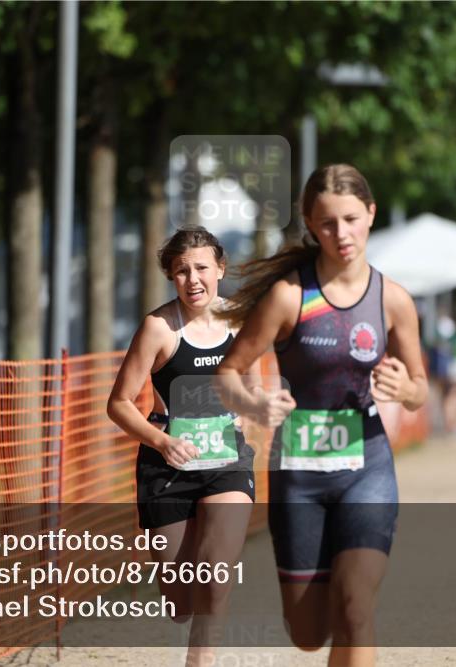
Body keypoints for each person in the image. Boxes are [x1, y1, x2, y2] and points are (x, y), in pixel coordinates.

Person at [216, 164, 428, 666]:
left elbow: (420, 389)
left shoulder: (393, 300)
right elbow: (228, 374)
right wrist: (255, 404)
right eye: (328, 223)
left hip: (367, 469)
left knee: (356, 608)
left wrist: (405, 389)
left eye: (351, 219)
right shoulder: (289, 297)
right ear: (310, 224)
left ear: (371, 214)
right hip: (299, 475)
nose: (342, 234)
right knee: (309, 633)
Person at [106, 226, 286, 665]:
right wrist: (162, 441)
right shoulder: (158, 328)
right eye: (182, 271)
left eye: (202, 268)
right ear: (171, 276)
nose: (193, 279)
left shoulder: (241, 321)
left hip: (226, 461)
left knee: (214, 573)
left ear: (220, 269)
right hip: (166, 466)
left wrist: (253, 410)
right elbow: (119, 403)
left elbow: (252, 386)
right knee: (180, 602)